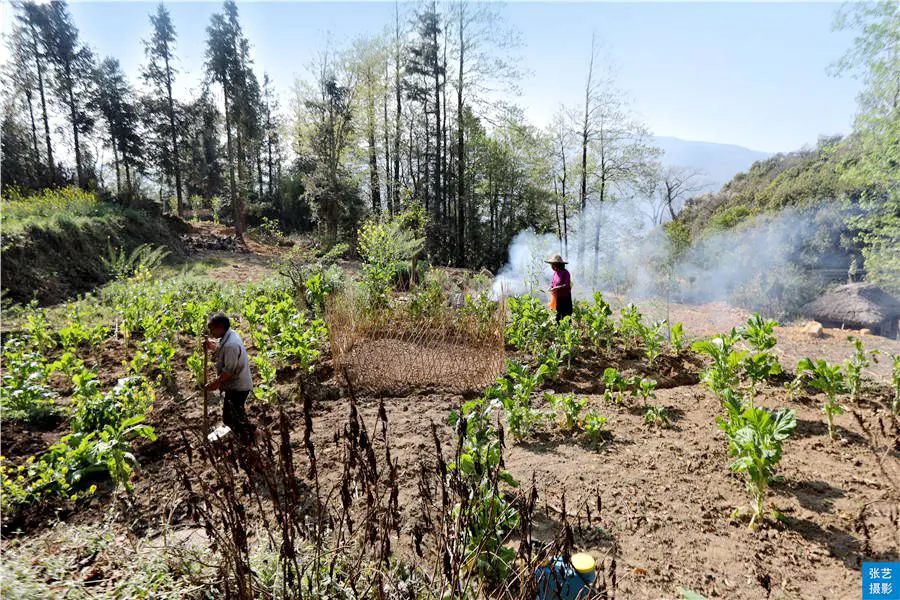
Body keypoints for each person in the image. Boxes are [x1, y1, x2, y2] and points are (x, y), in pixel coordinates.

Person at [205, 313, 254, 443]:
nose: (211, 333)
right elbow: (223, 351)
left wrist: (215, 384)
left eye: (212, 329)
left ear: (220, 327)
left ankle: (250, 438)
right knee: (235, 415)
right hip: (237, 384)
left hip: (238, 386)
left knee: (232, 418)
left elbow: (229, 372)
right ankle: (247, 437)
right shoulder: (229, 335)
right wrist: (214, 347)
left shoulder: (230, 345)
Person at [546, 254, 573, 323]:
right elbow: (553, 283)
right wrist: (551, 287)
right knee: (558, 316)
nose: (552, 266)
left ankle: (567, 332)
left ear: (559, 264)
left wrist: (557, 288)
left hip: (565, 298)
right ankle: (559, 331)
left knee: (566, 316)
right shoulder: (555, 273)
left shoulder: (565, 273)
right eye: (551, 265)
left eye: (553, 264)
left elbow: (566, 285)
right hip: (557, 298)